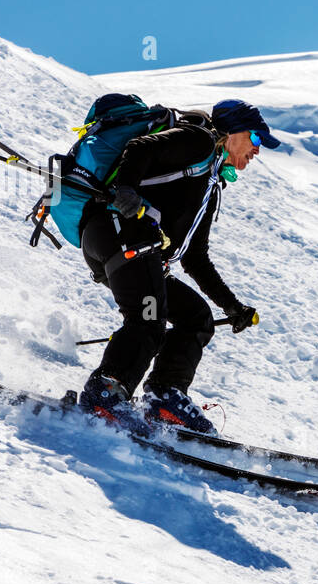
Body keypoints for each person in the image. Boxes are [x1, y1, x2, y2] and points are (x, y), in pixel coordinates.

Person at [77, 97, 281, 434]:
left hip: (138, 249)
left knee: (196, 318)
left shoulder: (208, 186)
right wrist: (126, 188)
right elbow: (140, 147)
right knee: (148, 319)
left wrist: (232, 306)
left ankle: (164, 397)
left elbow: (194, 257)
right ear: (231, 133)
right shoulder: (197, 140)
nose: (257, 150)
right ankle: (105, 392)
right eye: (255, 139)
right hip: (117, 230)